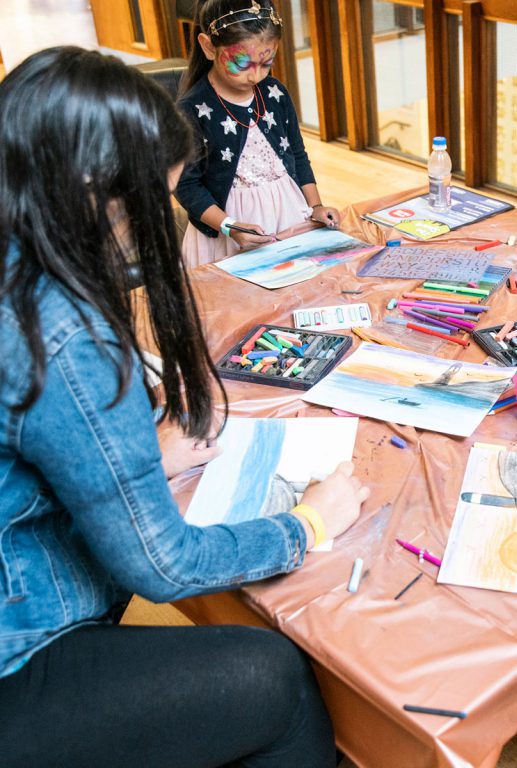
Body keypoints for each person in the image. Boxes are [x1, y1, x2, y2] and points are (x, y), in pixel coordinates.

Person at [0, 48, 369, 767]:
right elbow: (161, 565)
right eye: (143, 208)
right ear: (90, 189)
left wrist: (138, 450)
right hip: (20, 649)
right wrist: (309, 523)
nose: (146, 231)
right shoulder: (57, 331)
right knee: (277, 677)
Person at [175, 0, 341, 268]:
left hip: (288, 216)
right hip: (229, 229)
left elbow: (298, 155)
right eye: (242, 63)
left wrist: (316, 207)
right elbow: (186, 185)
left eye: (266, 62)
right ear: (208, 46)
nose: (256, 76)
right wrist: (229, 227)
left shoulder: (275, 93)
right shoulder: (191, 110)